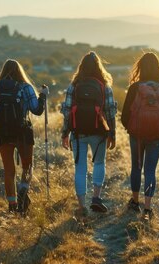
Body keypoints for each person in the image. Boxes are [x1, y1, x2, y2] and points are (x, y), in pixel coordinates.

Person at [0, 59, 46, 215]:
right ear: (20, 71)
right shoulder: (26, 88)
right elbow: (37, 110)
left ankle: (12, 205)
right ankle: (23, 190)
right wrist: (43, 96)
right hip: (22, 131)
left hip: (3, 133)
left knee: (9, 170)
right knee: (27, 166)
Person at [60, 51, 117, 217]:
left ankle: (81, 206)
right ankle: (96, 198)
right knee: (99, 163)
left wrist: (65, 133)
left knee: (80, 168)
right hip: (98, 132)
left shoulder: (74, 86)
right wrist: (112, 134)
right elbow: (110, 112)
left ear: (81, 67)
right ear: (99, 67)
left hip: (78, 133)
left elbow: (68, 112)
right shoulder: (105, 86)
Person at [121, 52, 159, 219]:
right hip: (158, 136)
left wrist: (131, 129)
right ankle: (147, 208)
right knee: (150, 170)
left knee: (136, 167)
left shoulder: (134, 88)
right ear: (158, 68)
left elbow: (124, 115)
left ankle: (135, 202)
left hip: (137, 136)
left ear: (140, 68)